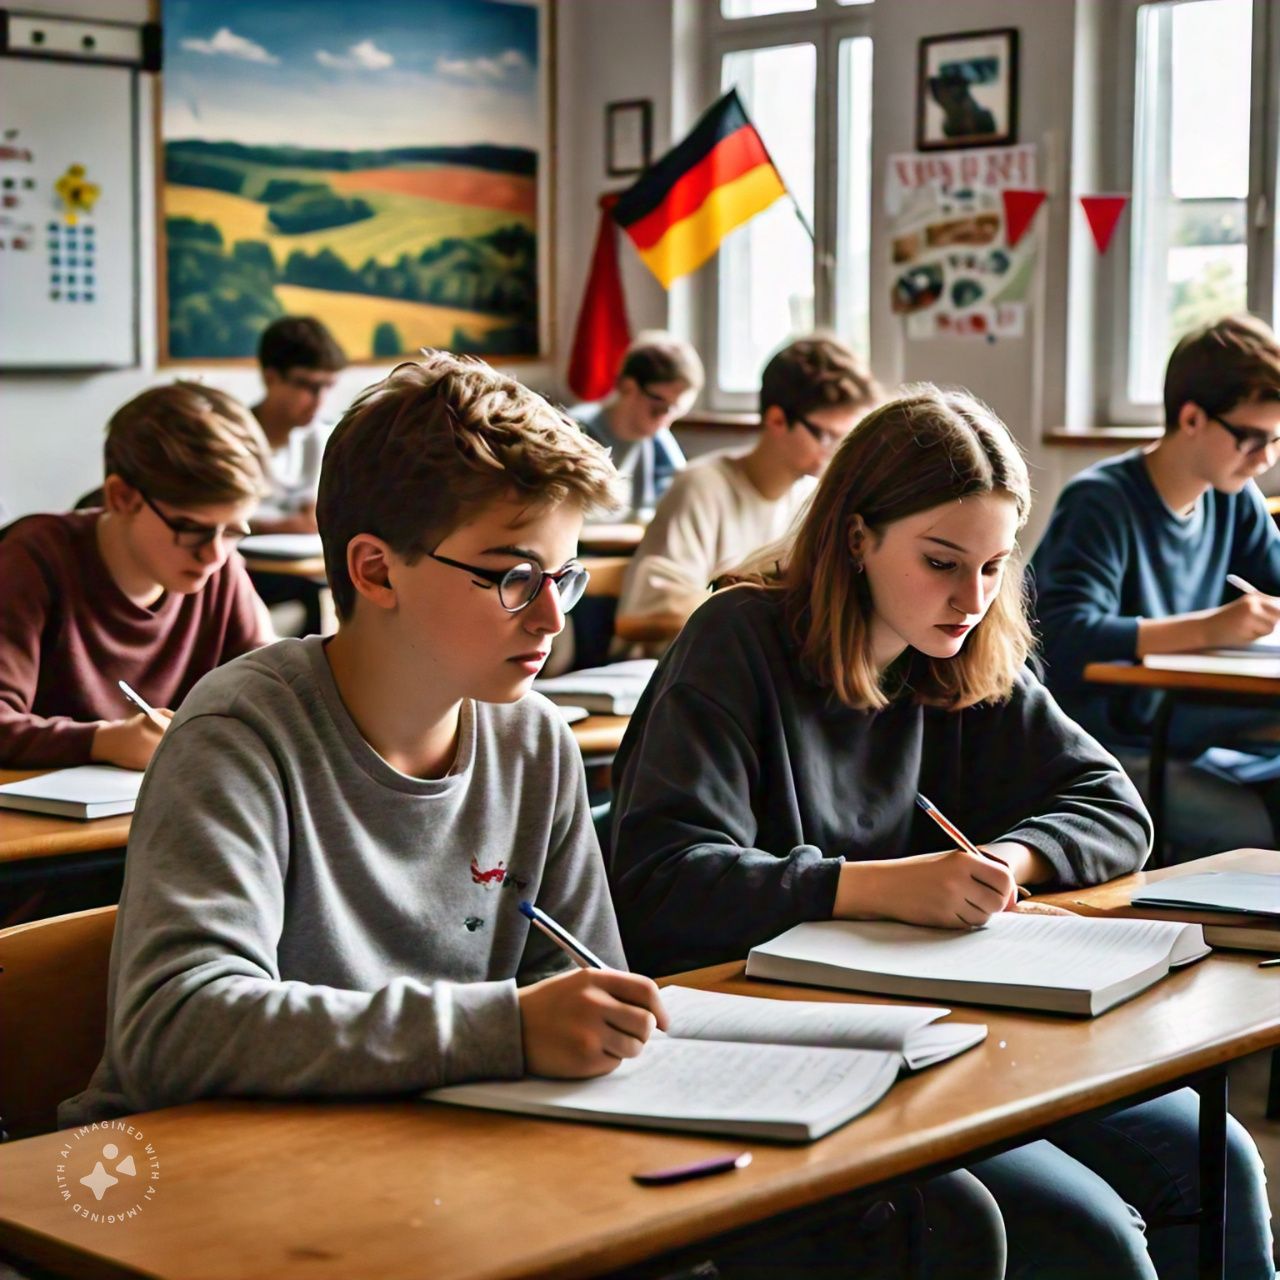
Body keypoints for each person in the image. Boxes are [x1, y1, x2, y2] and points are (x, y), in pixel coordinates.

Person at [608, 386, 1274, 1279]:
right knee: (1092, 1239)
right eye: (942, 561)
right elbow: (659, 883)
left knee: (1216, 1153)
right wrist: (876, 885)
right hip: (787, 1042)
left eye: (996, 565)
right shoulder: (740, 639)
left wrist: (1010, 857)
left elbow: (1115, 807)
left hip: (946, 1019)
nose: (971, 597)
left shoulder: (960, 649)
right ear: (856, 537)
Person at [61, 351, 666, 1128]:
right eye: (515, 576)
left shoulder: (536, 739)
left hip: (420, 1156)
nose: (553, 619)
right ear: (377, 571)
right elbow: (175, 1029)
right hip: (186, 1181)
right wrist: (502, 1030)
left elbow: (586, 988)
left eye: (564, 577)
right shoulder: (240, 735)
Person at [1030, 314, 1280, 859]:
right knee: (1251, 835)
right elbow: (1065, 636)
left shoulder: (1234, 499)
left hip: (1187, 724)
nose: (1266, 458)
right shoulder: (1100, 501)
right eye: (1252, 438)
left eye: (1277, 439)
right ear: (1191, 418)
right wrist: (1210, 628)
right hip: (1102, 745)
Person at [0, 382, 273, 770]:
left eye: (232, 530)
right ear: (121, 498)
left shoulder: (220, 569)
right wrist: (102, 741)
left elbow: (274, 696)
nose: (213, 554)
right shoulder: (34, 559)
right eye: (190, 527)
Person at [616, 335, 881, 645]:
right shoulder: (702, 486)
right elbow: (639, 616)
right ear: (777, 420)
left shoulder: (812, 499)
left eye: (845, 438)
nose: (837, 452)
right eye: (827, 436)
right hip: (676, 671)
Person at [248, 315, 348, 635]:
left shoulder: (321, 437)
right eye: (307, 385)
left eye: (326, 388)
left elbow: (319, 518)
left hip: (305, 569)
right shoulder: (233, 440)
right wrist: (288, 523)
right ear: (270, 378)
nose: (317, 401)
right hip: (243, 571)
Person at [569, 330, 703, 521]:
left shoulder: (657, 438)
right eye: (659, 405)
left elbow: (686, 498)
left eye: (676, 410)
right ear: (627, 387)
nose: (665, 417)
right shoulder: (575, 432)